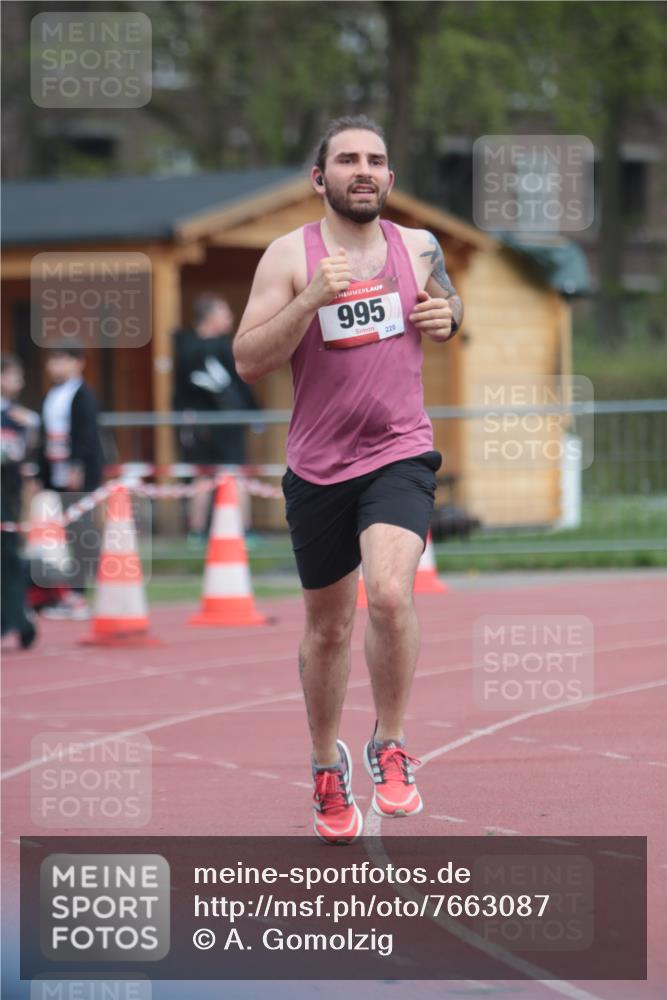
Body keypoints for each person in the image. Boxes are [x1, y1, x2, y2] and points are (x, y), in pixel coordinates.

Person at [234, 115, 463, 844]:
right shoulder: (287, 256)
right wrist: (309, 301)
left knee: (391, 594)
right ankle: (324, 766)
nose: (362, 170)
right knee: (328, 627)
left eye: (375, 160)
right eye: (347, 160)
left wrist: (446, 316)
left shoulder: (418, 246)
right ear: (320, 178)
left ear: (389, 179)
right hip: (317, 466)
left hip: (399, 450)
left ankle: (389, 745)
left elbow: (451, 303)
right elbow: (248, 359)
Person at [172, 295, 260, 537]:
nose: (230, 318)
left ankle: (197, 532)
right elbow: (243, 385)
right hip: (218, 422)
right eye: (225, 313)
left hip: (199, 424)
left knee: (204, 475)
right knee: (229, 473)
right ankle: (244, 530)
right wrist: (254, 412)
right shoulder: (223, 348)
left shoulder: (184, 348)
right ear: (210, 317)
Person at [36, 344, 104, 619]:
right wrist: (41, 475)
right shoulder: (51, 396)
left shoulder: (83, 395)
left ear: (78, 363)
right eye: (52, 360)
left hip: (79, 474)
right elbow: (46, 437)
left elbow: (87, 435)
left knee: (81, 533)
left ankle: (80, 594)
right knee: (64, 535)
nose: (56, 366)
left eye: (62, 360)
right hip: (57, 473)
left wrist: (77, 466)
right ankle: (63, 592)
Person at [1, 355, 39, 649]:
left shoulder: (18, 416)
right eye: (14, 376)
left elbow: (21, 455)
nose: (20, 383)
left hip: (9, 495)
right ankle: (18, 620)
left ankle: (17, 620)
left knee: (10, 556)